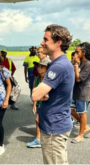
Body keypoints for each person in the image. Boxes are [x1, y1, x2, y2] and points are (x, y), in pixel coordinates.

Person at [32, 24, 74, 164]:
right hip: (57, 125)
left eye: (46, 39)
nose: (41, 43)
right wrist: (42, 92)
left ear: (59, 42)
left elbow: (35, 95)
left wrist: (39, 91)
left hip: (53, 129)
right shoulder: (59, 63)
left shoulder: (58, 66)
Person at [27, 58, 51, 148]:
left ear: (47, 68)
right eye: (38, 66)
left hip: (49, 104)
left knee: (42, 121)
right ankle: (39, 138)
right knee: (38, 120)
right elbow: (35, 92)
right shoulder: (37, 78)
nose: (39, 68)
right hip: (40, 104)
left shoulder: (50, 79)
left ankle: (42, 138)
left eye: (42, 67)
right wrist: (34, 105)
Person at [70, 42, 90, 143]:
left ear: (84, 52)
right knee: (71, 110)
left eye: (77, 52)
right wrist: (74, 64)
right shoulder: (78, 62)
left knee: (82, 113)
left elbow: (78, 78)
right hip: (75, 91)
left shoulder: (87, 64)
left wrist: (76, 64)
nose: (75, 54)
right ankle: (85, 126)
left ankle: (80, 135)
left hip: (84, 92)